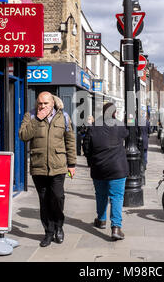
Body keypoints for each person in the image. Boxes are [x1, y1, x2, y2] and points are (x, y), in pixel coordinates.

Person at [19, 91, 76, 247]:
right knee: (44, 201)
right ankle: (49, 232)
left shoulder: (63, 116)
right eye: (40, 103)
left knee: (57, 197)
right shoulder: (30, 116)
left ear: (53, 103)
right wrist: (37, 119)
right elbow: (23, 135)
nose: (42, 106)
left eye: (45, 103)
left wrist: (72, 164)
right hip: (39, 166)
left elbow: (70, 141)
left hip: (59, 165)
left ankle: (59, 225)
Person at [83, 103, 129, 241]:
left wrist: (91, 161)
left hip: (99, 168)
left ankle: (101, 220)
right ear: (114, 113)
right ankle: (116, 228)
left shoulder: (94, 127)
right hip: (117, 168)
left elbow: (86, 146)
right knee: (116, 197)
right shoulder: (120, 125)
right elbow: (127, 135)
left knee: (101, 195)